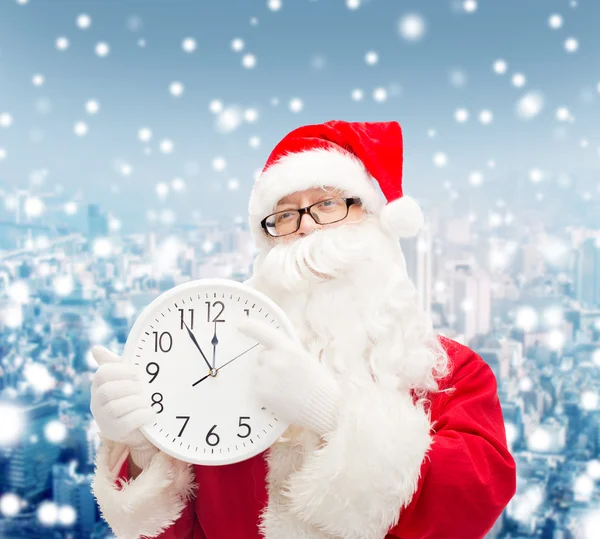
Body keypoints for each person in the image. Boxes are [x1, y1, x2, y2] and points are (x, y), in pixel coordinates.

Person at [90, 120, 517, 539]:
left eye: (328, 204)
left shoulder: (452, 374)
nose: (307, 226)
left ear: (374, 219)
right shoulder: (220, 374)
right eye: (287, 215)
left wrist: (329, 414)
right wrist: (143, 448)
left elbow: (470, 502)